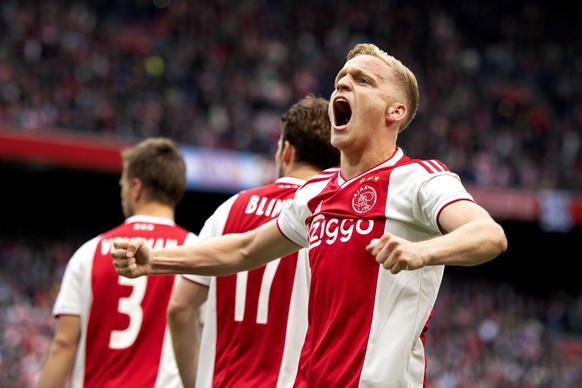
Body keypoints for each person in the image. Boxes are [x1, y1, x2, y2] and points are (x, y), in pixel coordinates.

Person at [112, 43, 508, 387]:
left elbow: (489, 235)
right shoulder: (316, 192)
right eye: (341, 79)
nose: (344, 84)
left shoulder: (420, 179)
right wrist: (156, 260)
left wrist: (423, 252)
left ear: (395, 112)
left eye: (363, 81)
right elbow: (245, 249)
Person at [166, 94, 340, 387]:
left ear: (287, 151)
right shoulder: (332, 222)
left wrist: (195, 382)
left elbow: (180, 307)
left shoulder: (229, 209)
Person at [38, 137, 195, 388]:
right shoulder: (198, 252)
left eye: (121, 184)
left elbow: (63, 344)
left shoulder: (88, 254)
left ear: (136, 188)